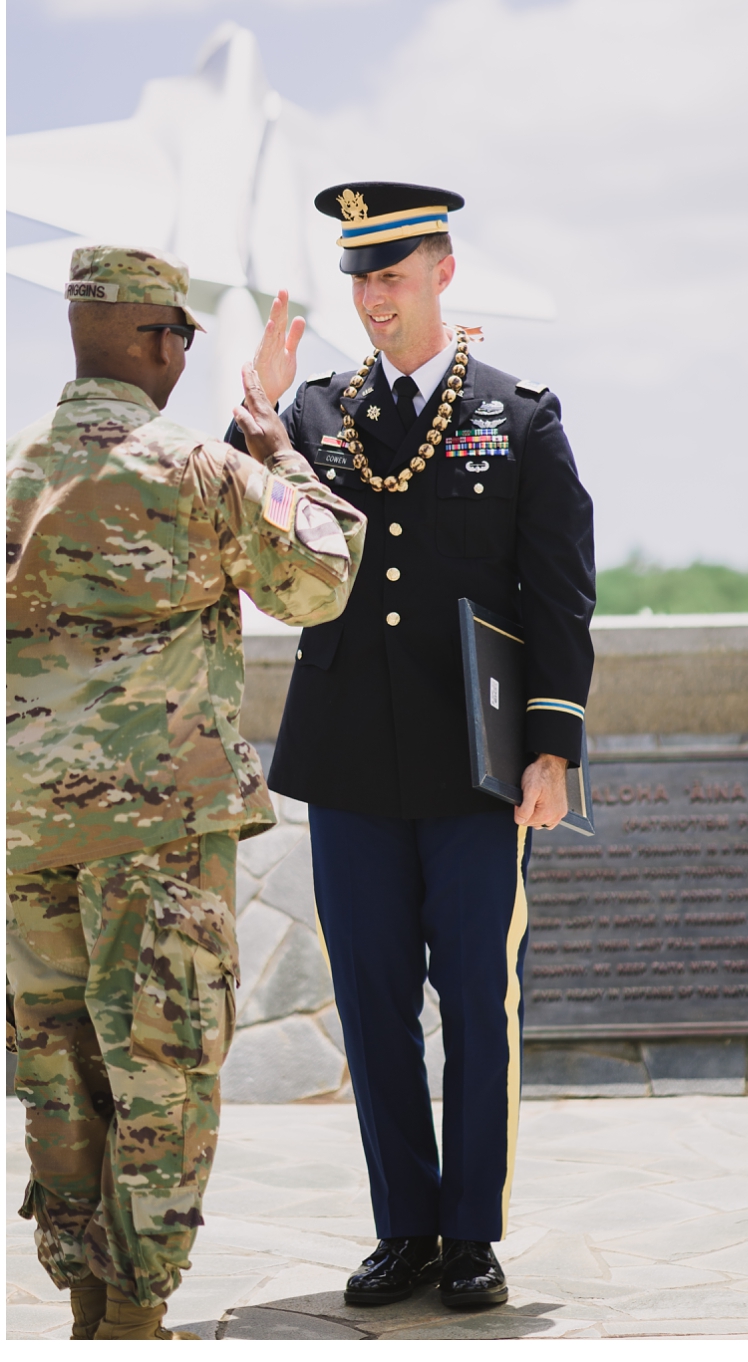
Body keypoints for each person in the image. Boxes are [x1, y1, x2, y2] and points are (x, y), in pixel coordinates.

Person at [225, 182, 596, 1311]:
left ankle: (472, 1234)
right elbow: (257, 542)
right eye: (358, 277)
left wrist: (552, 746)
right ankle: (406, 1230)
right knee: (375, 1002)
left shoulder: (516, 414)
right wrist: (259, 421)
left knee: (479, 1001)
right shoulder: (321, 413)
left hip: (474, 765)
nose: (371, 298)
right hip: (347, 760)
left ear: (443, 268)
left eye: (391, 274)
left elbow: (560, 595)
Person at [8, 247, 365, 1340]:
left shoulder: (12, 468)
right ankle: (136, 1313)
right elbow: (322, 574)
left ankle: (82, 1299)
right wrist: (285, 458)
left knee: (59, 1070)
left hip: (28, 834)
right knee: (162, 1067)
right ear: (155, 340)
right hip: (160, 833)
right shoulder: (197, 471)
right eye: (181, 337)